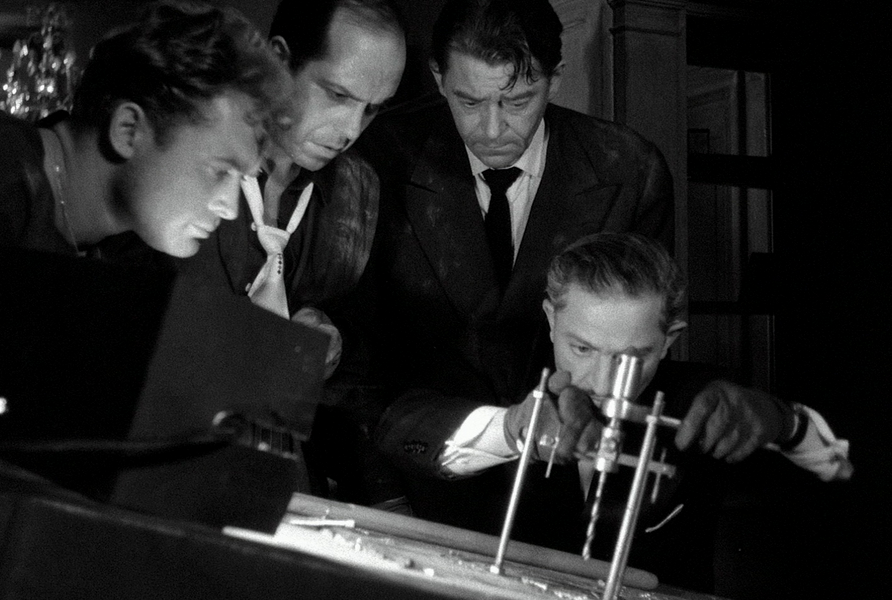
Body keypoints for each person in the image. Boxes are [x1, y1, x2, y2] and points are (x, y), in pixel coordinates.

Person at [350, 0, 671, 540]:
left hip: (563, 488)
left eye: (519, 100)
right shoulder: (378, 158)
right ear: (438, 78)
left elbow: (642, 346)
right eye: (469, 101)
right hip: (415, 479)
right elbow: (355, 359)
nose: (493, 128)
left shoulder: (630, 169)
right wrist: (383, 499)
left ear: (555, 80)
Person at [376, 232, 852, 591]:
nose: (604, 383)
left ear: (669, 340)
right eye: (582, 349)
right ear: (551, 319)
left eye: (632, 357)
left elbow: (841, 470)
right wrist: (514, 427)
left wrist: (787, 422)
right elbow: (399, 428)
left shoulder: (704, 405)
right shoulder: (499, 375)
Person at [176, 0, 408, 506]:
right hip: (166, 457)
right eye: (338, 95)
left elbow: (363, 357)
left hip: (285, 476)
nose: (350, 130)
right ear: (279, 60)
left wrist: (331, 342)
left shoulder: (356, 190)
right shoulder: (191, 155)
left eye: (372, 109)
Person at [0, 1, 288, 259]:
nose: (231, 209)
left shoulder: (129, 254)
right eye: (220, 171)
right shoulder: (9, 179)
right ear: (128, 130)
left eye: (242, 178)